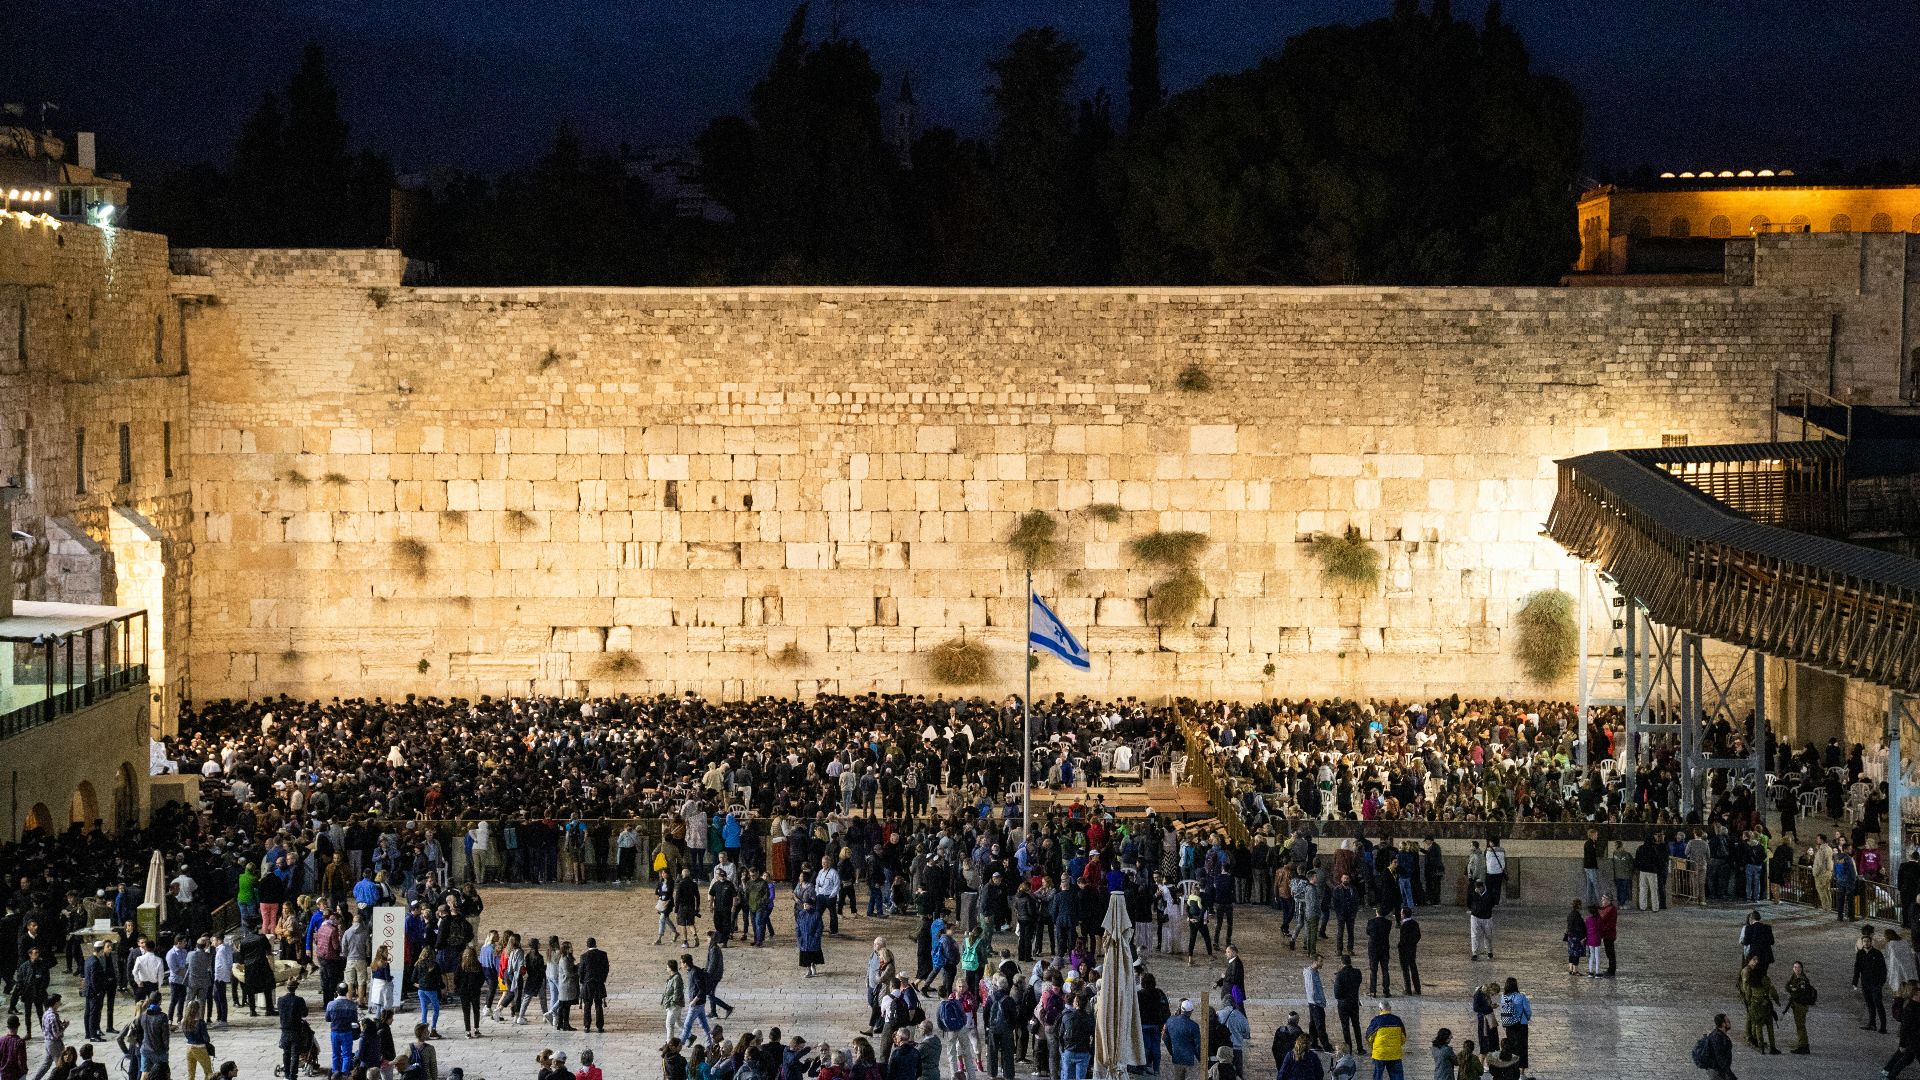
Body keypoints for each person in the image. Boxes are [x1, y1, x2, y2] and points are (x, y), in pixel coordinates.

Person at [1736, 956, 1780, 1054]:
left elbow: (1747, 992)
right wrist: (1777, 1001)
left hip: (1755, 1004)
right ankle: (1772, 1047)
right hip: (1765, 1004)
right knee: (1769, 1026)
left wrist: (1749, 1002)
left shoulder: (1752, 980)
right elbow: (1772, 991)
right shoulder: (1766, 979)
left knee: (1758, 1025)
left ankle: (1760, 1047)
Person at [1856, 926, 1890, 1034]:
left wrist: (1880, 982)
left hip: (1875, 982)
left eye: (1867, 941)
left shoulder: (1876, 953)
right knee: (1870, 1003)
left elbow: (1883, 969)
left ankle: (1882, 1026)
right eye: (1864, 941)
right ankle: (1872, 1024)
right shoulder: (1861, 953)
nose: (1866, 943)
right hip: (1866, 982)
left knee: (1877, 1003)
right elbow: (1857, 967)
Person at [277, 980, 311, 1080]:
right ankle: (293, 1076)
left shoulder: (280, 1000)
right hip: (296, 1030)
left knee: (286, 1053)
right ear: (296, 988)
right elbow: (304, 1014)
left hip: (285, 1030)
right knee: (295, 1054)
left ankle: (286, 1074)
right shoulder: (299, 1000)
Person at [1362, 1002, 1405, 1080]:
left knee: (1378, 1076)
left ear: (1380, 1009)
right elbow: (1403, 1038)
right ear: (1390, 1008)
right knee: (1397, 1077)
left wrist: (1374, 1047)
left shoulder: (1376, 1020)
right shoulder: (1397, 1020)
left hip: (1380, 1054)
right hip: (1395, 1054)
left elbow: (1369, 1037)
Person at [1495, 979, 1529, 1074]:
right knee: (1522, 1047)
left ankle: (1512, 1069)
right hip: (1521, 1025)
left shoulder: (1503, 997)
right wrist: (1526, 1018)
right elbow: (1527, 1011)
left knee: (1511, 1046)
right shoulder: (1521, 996)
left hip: (1509, 1025)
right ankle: (1521, 1073)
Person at [325, 984, 359, 1077]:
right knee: (346, 1055)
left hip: (335, 1032)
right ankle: (345, 1074)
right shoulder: (351, 1005)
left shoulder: (330, 1004)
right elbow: (354, 1020)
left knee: (335, 1054)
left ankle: (335, 1072)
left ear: (336, 991)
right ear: (347, 991)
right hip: (347, 1033)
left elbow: (327, 1019)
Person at [1163, 1000, 1201, 1080]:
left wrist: (1171, 1052)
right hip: (1189, 1059)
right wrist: (1200, 1059)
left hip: (1176, 1058)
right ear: (1191, 1011)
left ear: (1181, 1008)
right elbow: (1198, 1045)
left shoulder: (1170, 1021)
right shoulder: (1194, 1026)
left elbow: (1166, 1039)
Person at [1782, 961, 1814, 1055]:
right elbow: (1787, 986)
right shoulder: (1794, 978)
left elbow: (1800, 992)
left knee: (1801, 1026)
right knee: (1799, 1025)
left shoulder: (1802, 980)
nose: (1797, 969)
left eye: (1799, 967)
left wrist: (1793, 990)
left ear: (1802, 968)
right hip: (1796, 1005)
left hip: (1801, 1005)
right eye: (1795, 967)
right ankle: (1802, 1044)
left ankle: (1803, 1046)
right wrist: (1793, 989)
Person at [1333, 956, 1363, 1052]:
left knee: (1345, 1027)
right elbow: (1358, 982)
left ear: (1342, 963)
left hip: (1343, 1004)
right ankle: (1360, 1048)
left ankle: (1349, 1049)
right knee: (1356, 1025)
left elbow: (1337, 994)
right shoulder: (1357, 972)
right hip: (1354, 1003)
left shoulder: (1340, 975)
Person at [1303, 956, 1333, 1052]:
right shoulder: (1310, 973)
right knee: (1320, 1025)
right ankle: (1326, 1045)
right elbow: (1311, 990)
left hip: (1315, 1003)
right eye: (1320, 961)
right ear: (1315, 962)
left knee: (1313, 1024)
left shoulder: (1315, 972)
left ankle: (1313, 1043)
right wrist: (1318, 1002)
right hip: (1316, 1004)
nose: (1322, 963)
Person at [580, 937, 609, 1034]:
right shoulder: (603, 954)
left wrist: (582, 981)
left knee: (587, 1005)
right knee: (598, 1005)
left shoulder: (584, 956)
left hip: (588, 983)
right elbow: (606, 969)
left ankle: (587, 1026)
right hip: (598, 983)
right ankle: (600, 1027)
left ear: (587, 945)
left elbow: (581, 971)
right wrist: (602, 979)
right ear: (595, 944)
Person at [1698, 1013, 1735, 1080]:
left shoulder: (1719, 1035)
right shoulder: (1718, 1038)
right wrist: (1728, 1074)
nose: (1730, 1023)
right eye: (1728, 1021)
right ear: (1723, 1024)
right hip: (1717, 1072)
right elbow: (1719, 1058)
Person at [1466, 883, 1494, 962]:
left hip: (1487, 917)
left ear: (1483, 887)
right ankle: (1474, 953)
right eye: (1477, 887)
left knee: (1488, 935)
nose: (1478, 889)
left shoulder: (1489, 894)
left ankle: (1489, 951)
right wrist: (1474, 909)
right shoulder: (1473, 893)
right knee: (1474, 935)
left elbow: (1492, 902)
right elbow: (1468, 902)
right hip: (1475, 916)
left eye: (1479, 887)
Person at [1396, 910, 1421, 996]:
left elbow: (1403, 939)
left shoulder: (1404, 925)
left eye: (1401, 913)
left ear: (1404, 915)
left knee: (1405, 970)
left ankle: (1408, 989)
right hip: (1412, 949)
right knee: (1414, 968)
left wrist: (1400, 946)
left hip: (1404, 950)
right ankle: (1418, 989)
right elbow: (1418, 936)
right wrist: (1413, 943)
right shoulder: (1415, 923)